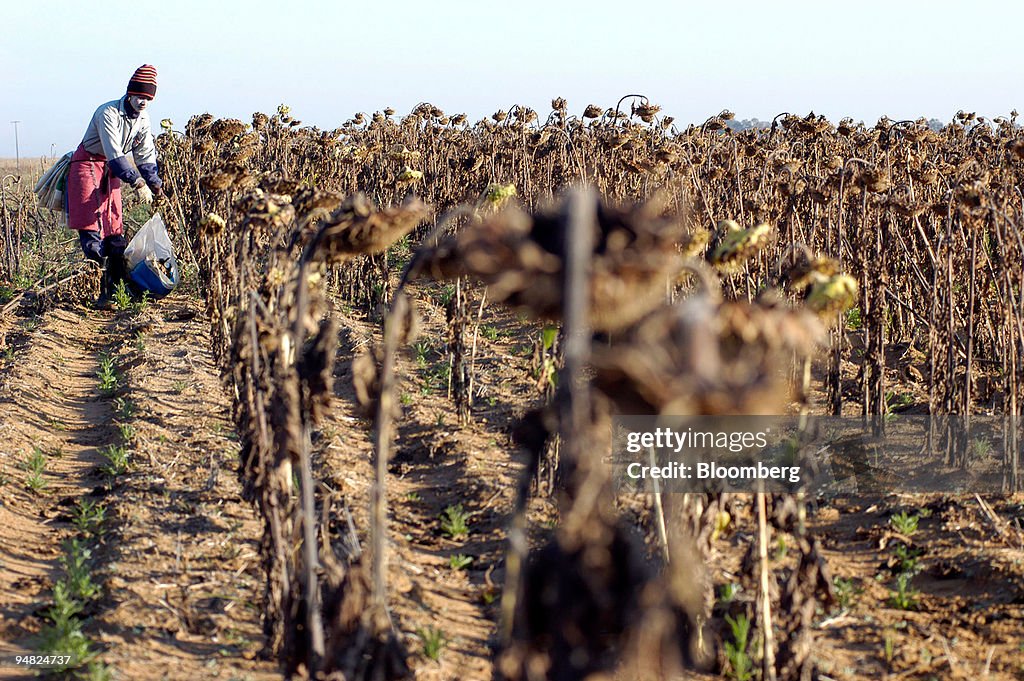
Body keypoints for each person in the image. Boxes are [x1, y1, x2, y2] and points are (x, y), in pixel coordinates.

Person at [67, 64, 165, 309]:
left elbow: (145, 154)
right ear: (130, 93)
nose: (143, 102)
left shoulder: (143, 119)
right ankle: (101, 291)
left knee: (114, 225)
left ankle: (117, 288)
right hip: (88, 164)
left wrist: (156, 185)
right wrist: (138, 182)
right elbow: (115, 153)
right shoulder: (107, 112)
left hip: (111, 170)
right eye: (139, 96)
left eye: (148, 98)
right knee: (93, 224)